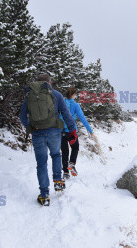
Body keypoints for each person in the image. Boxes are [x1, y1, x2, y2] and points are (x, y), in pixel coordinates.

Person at [20, 74, 77, 206]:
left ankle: (45, 195)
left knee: (41, 163)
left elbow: (23, 117)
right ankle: (58, 182)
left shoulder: (29, 95)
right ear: (49, 83)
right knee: (56, 155)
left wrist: (31, 126)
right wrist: (72, 130)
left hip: (37, 132)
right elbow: (66, 113)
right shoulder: (56, 94)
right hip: (54, 132)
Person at [60, 87, 93, 178]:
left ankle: (65, 172)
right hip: (71, 131)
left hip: (61, 131)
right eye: (75, 94)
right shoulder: (75, 105)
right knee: (75, 148)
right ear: (73, 95)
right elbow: (82, 118)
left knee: (64, 152)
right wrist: (90, 131)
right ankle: (72, 163)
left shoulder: (61, 103)